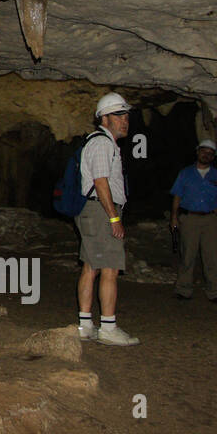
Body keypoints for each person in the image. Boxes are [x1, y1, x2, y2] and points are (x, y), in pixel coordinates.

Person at [76, 92, 139, 345]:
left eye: (126, 114)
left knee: (91, 267)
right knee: (110, 268)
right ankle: (109, 328)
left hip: (94, 211)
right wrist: (114, 218)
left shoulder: (101, 142)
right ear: (105, 118)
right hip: (102, 211)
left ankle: (84, 326)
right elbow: (101, 182)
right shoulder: (102, 143)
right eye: (118, 114)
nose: (125, 120)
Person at [169, 139, 217, 302]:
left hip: (211, 220)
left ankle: (214, 291)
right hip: (189, 218)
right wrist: (174, 216)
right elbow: (177, 195)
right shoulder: (185, 173)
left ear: (213, 157)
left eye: (210, 153)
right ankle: (183, 289)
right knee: (188, 254)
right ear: (197, 152)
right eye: (204, 151)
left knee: (212, 256)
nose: (206, 155)